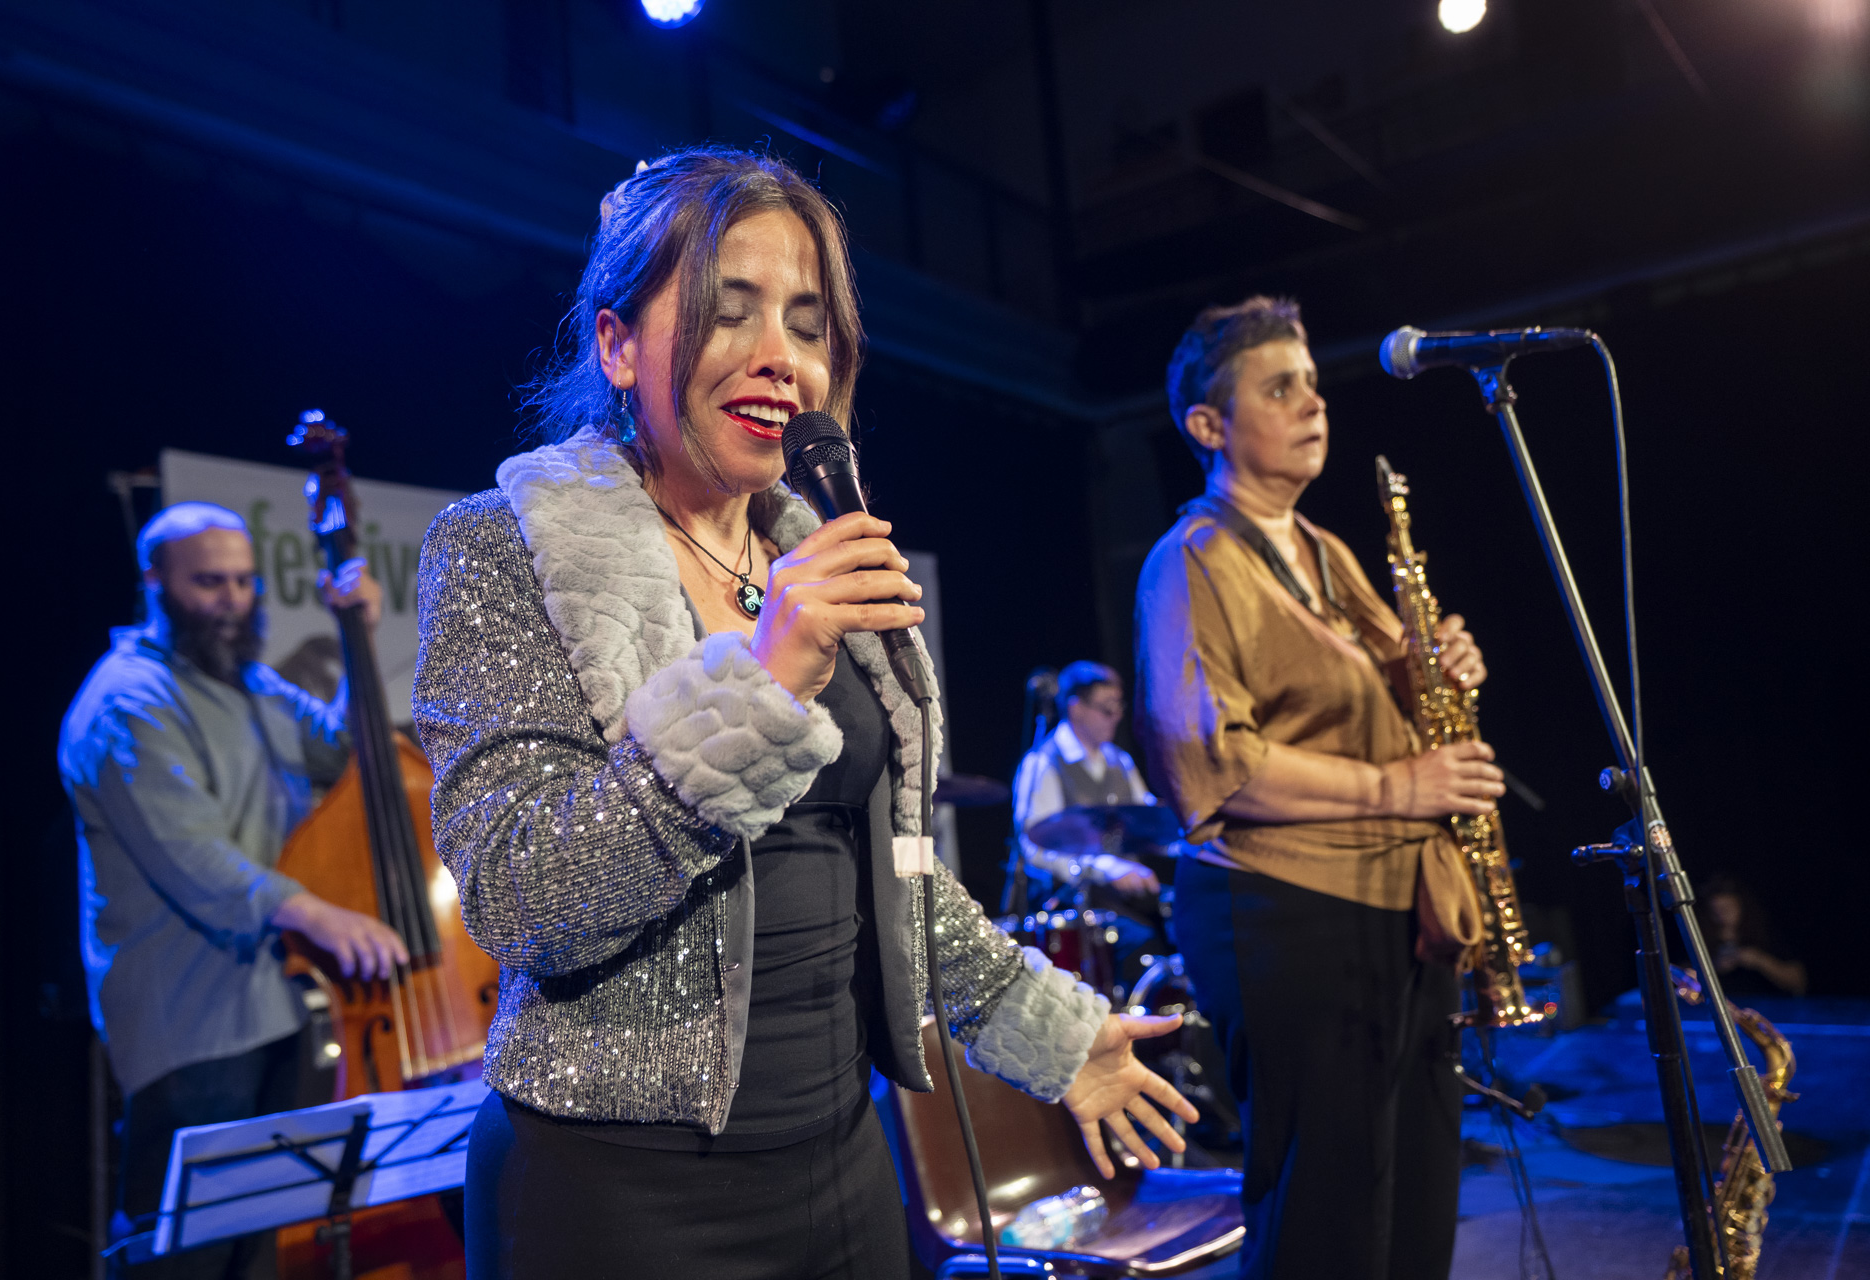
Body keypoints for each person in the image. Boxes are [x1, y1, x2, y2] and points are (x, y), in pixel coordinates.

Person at [414, 146, 1197, 1280]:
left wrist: (1057, 1035)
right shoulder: (503, 548)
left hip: (841, 1157)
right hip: (618, 1188)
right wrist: (760, 684)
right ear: (617, 343)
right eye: (730, 313)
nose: (782, 357)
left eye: (809, 321)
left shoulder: (814, 547)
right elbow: (520, 895)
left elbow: (895, 876)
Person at [1135, 297, 1499, 1280]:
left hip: (1392, 910)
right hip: (1285, 913)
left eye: (1314, 383)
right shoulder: (1191, 562)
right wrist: (1398, 782)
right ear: (1209, 425)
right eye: (1279, 386)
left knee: (1417, 1204)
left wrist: (1442, 666)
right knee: (1326, 1219)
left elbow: (1398, 686)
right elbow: (1220, 763)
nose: (1313, 403)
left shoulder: (1329, 553)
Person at [59, 502, 409, 1278]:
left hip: (280, 1004)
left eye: (246, 583)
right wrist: (319, 913)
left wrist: (359, 640)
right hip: (189, 1021)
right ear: (154, 582)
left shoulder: (252, 684)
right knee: (185, 1259)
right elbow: (192, 855)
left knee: (262, 1258)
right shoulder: (127, 701)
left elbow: (350, 756)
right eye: (210, 583)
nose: (232, 601)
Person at [1013, 660, 1162, 894]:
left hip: (1128, 896)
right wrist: (1103, 869)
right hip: (1069, 900)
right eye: (1106, 708)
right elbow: (1034, 847)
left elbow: (1150, 820)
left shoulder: (1120, 761)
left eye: (1118, 706)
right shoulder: (1042, 763)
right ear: (1076, 709)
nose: (1116, 716)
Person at [1704, 876, 1807, 998]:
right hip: (1720, 1009)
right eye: (1715, 911)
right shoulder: (1700, 939)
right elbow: (1680, 977)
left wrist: (1759, 960)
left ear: (1741, 906)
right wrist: (1712, 967)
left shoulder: (1765, 935)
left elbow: (1799, 982)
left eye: (1727, 908)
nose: (1722, 916)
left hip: (1766, 1009)